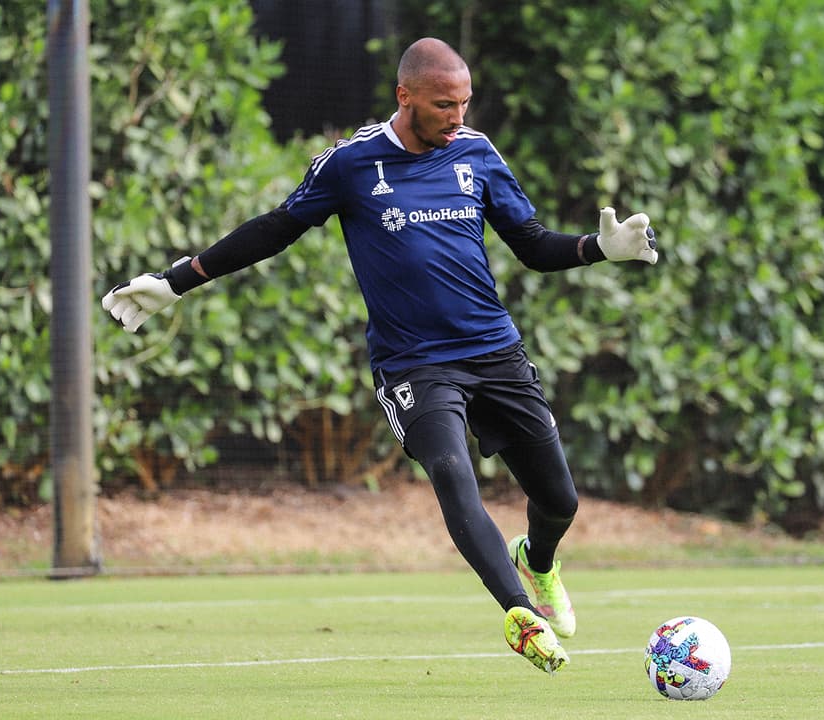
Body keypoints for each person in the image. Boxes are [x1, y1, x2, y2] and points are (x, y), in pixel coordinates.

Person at [102, 37, 658, 675]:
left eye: (464, 102)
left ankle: (536, 561)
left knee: (560, 501)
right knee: (453, 474)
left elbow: (530, 245)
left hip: (495, 351)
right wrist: (178, 280)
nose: (457, 116)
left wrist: (596, 249)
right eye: (443, 104)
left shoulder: (476, 154)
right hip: (413, 364)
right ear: (405, 97)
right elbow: (277, 227)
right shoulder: (353, 163)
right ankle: (518, 613)